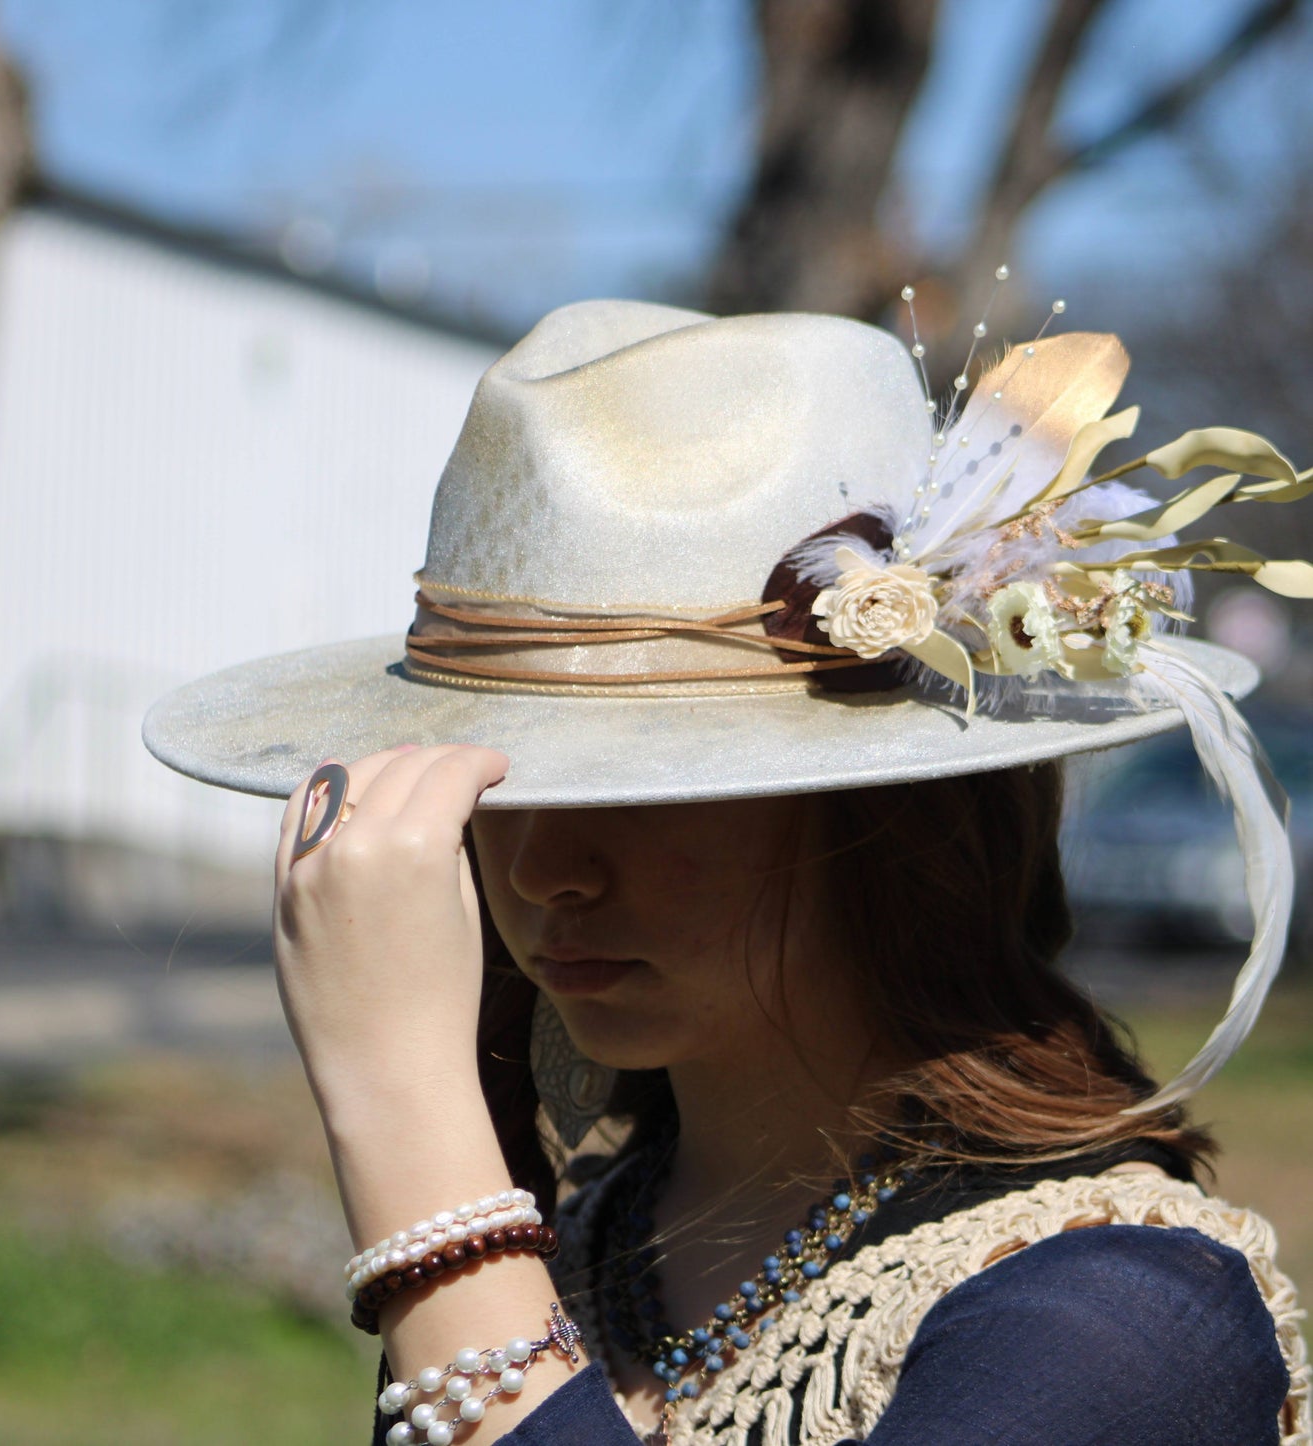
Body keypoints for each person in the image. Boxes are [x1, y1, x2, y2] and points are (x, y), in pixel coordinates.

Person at [145, 298, 1312, 1444]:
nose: (549, 867)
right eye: (504, 783)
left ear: (896, 806)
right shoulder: (600, 1244)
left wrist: (409, 1134)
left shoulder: (1114, 1323)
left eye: (653, 786)